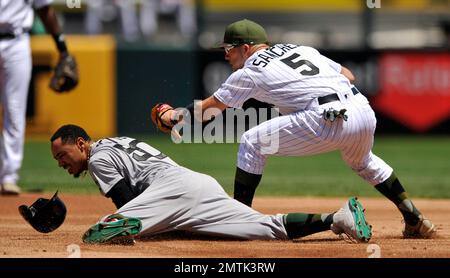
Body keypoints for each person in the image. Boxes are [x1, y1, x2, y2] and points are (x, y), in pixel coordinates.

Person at [154, 19, 437, 239]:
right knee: (363, 161)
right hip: (362, 110)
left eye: (228, 49)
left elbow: (211, 109)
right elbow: (348, 75)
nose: (226, 55)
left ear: (246, 48)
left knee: (252, 141)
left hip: (325, 117)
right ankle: (414, 219)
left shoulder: (250, 69)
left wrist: (173, 116)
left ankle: (236, 219)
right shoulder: (301, 48)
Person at [50, 124, 372, 244]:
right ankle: (337, 219)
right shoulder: (117, 141)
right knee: (265, 227)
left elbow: (125, 201)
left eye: (62, 154)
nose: (61, 163)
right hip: (198, 185)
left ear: (80, 143)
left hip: (170, 189)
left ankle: (163, 225)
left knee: (99, 233)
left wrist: (148, 223)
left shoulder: (96, 158)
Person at [0, 0, 77, 195]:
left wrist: (62, 48)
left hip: (16, 42)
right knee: (14, 111)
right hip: (16, 43)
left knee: (15, 110)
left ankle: (9, 177)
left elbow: (45, 9)